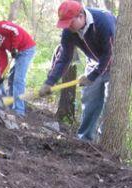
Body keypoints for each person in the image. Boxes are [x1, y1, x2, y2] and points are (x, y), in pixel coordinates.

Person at [39, 0, 116, 141]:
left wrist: (93, 76)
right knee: (90, 99)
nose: (67, 27)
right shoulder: (69, 31)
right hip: (95, 62)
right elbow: (64, 57)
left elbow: (109, 54)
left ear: (81, 16)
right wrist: (50, 81)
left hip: (116, 64)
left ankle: (105, 143)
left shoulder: (103, 22)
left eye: (70, 22)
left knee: (111, 102)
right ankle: (85, 140)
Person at [0, 21, 36, 116]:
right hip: (17, 52)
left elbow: (16, 31)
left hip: (26, 48)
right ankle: (11, 106)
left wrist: (14, 47)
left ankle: (19, 111)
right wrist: (2, 74)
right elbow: (2, 56)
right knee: (11, 79)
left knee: (18, 79)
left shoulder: (0, 25)